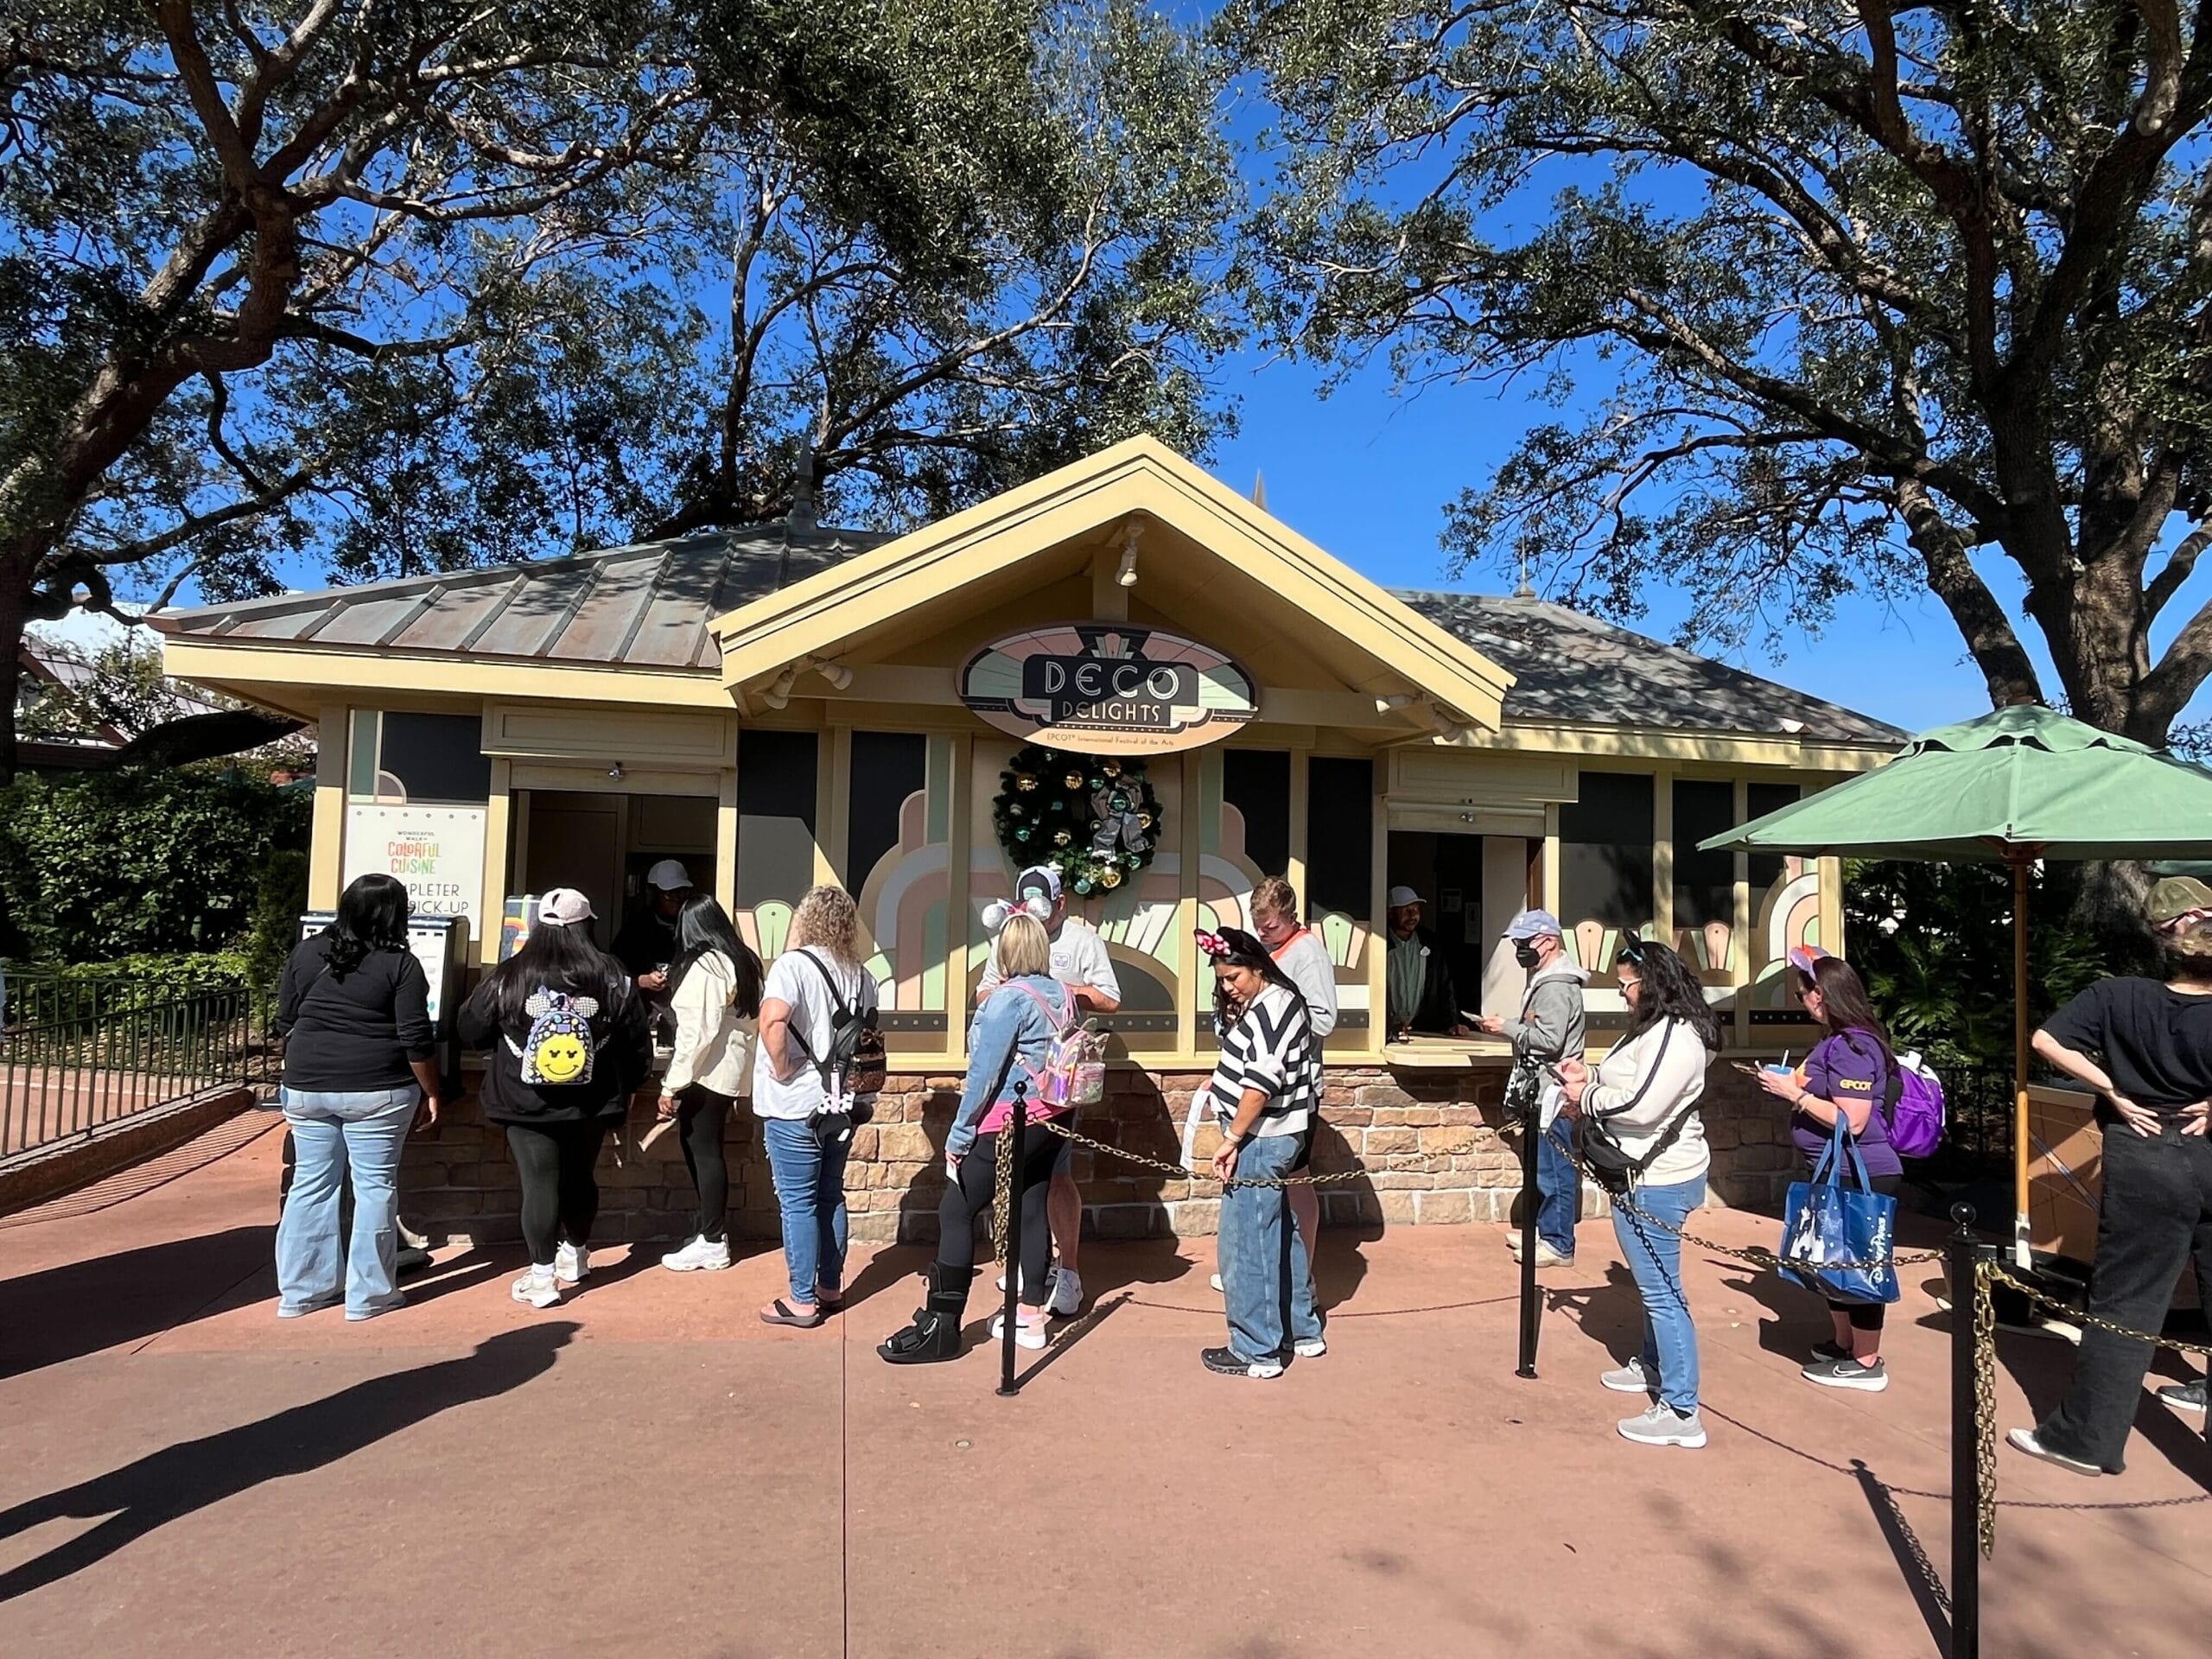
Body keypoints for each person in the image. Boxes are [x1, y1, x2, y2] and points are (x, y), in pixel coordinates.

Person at [2005, 910, 2212, 1475]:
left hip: (2144, 1154)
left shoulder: (2116, 996)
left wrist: (2113, 1089)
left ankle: (2085, 1440)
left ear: (2167, 946)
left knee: (2127, 1305)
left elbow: (2046, 1039)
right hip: (2206, 1145)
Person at [880, 914, 1073, 1363]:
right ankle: (1030, 1317)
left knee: (956, 1210)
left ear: (1003, 951)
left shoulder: (1007, 1000)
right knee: (1031, 1205)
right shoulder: (1061, 994)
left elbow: (983, 1074)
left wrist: (960, 1132)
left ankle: (943, 1326)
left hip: (1007, 1119)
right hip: (1053, 1117)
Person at [1558, 938, 1719, 1447]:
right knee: (1657, 1283)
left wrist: (1584, 1096)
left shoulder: (1678, 1036)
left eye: (1626, 984)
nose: (1623, 993)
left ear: (1650, 984)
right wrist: (1592, 1074)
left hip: (1659, 1180)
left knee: (1662, 1292)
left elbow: (1643, 1105)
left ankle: (1680, 1410)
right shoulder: (1655, 1030)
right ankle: (1653, 1365)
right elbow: (1628, 1074)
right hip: (1648, 1175)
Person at [459, 887, 650, 1309]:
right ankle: (576, 1254)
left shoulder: (511, 973)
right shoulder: (611, 973)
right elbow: (636, 1039)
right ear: (587, 926)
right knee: (580, 1177)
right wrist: (632, 1086)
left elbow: (470, 1029)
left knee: (539, 1184)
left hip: (523, 1100)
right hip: (593, 1098)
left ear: (538, 926)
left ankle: (543, 1279)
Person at [270, 874, 441, 1320]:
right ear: (396, 915)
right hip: (378, 1088)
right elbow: (415, 1037)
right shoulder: (400, 964)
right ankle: (369, 1295)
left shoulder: (307, 952)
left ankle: (302, 1292)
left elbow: (285, 1020)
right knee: (374, 1189)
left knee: (311, 1184)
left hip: (306, 1085)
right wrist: (432, 1091)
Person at [1755, 947, 1904, 1392]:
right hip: (1832, 1169)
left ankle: (1866, 1361)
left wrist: (1793, 1095)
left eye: (1803, 993)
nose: (1801, 1001)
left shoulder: (1853, 1046)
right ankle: (1845, 1345)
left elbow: (1852, 1119)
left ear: (1821, 995)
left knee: (1858, 1262)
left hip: (1861, 1172)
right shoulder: (1838, 1042)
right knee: (1830, 1261)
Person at [976, 862, 1120, 1318]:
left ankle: (1069, 1272)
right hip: (1010, 1086)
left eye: (1044, 907)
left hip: (1059, 1082)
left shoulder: (1083, 941)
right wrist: (1012, 993)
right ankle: (1029, 1265)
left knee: (1055, 1177)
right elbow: (982, 993)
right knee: (1014, 1181)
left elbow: (1111, 999)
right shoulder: (1010, 936)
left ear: (1061, 903)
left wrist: (1061, 990)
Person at [1200, 925, 1325, 1379]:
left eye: (1234, 977)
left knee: (1247, 1243)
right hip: (1278, 1133)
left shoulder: (1272, 1009)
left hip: (1262, 1136)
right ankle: (1300, 1329)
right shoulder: (1276, 1001)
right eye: (1222, 980)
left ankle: (1257, 1348)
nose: (1228, 986)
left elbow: (1262, 1082)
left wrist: (1232, 1138)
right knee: (1280, 1233)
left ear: (1258, 967)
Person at [753, 883, 877, 1328]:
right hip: (843, 1102)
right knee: (830, 1194)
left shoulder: (793, 966)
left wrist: (784, 1068)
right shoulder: (863, 976)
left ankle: (801, 1300)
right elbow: (866, 1041)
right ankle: (829, 1285)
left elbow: (772, 1020)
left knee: (798, 1203)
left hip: (796, 1105)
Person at [654, 893, 764, 1272]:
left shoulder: (707, 966)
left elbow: (696, 1033)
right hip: (729, 1067)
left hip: (707, 1070)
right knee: (707, 1148)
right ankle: (710, 1233)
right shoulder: (742, 959)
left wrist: (672, 1084)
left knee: (702, 1150)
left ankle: (713, 1240)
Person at [1479, 907, 1589, 1268]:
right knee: (1543, 1166)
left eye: (1524, 942)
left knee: (1554, 1169)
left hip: (1555, 1092)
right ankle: (1545, 1231)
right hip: (1543, 1090)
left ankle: (1559, 1244)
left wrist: (1506, 1027)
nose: (1519, 949)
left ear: (1548, 941)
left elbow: (1549, 1041)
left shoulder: (1556, 985)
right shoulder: (1546, 979)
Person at [614, 859, 694, 1029]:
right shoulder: (636, 929)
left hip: (689, 1020)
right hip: (647, 1020)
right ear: (653, 894)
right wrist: (641, 981)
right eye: (669, 894)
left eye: (682, 892)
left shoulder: (695, 925)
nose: (677, 899)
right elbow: (612, 978)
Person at [1385, 886, 1471, 1038]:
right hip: (1385, 1032)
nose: (1412, 915)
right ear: (1391, 913)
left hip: (1422, 1031)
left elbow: (1444, 986)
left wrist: (1452, 1023)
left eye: (1415, 908)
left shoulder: (1430, 942)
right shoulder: (1381, 944)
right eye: (1406, 910)